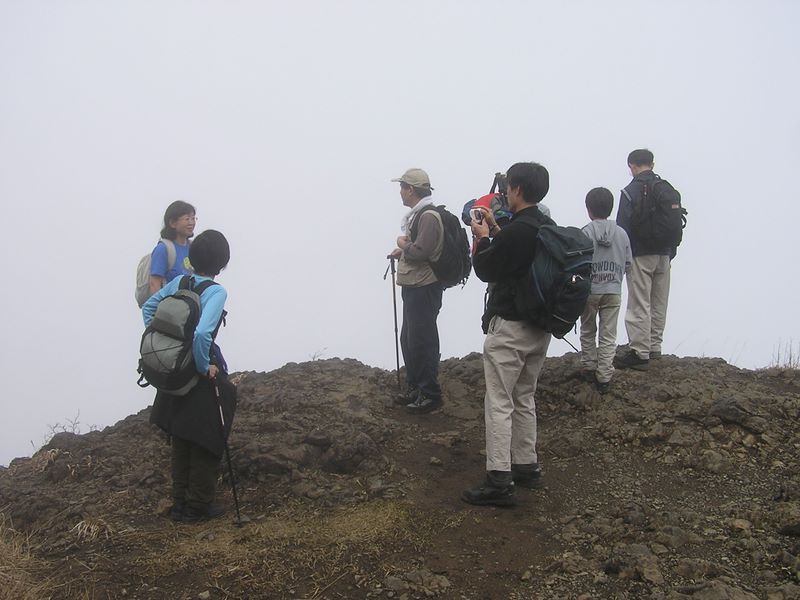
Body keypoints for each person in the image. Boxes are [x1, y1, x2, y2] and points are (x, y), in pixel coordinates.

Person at [462, 162, 553, 507]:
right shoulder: (545, 226)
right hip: (539, 326)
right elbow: (521, 261)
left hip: (510, 326)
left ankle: (499, 479)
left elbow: (487, 269)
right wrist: (498, 230)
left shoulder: (519, 231)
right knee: (524, 396)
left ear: (515, 189)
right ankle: (526, 466)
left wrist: (483, 238)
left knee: (499, 400)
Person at [144, 229, 235, 523]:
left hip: (174, 371)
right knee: (207, 435)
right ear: (222, 263)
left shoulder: (179, 281)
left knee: (181, 435)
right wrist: (202, 366)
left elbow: (149, 308)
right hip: (196, 372)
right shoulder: (216, 291)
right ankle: (199, 506)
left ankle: (180, 504)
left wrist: (167, 345)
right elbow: (202, 334)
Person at [388, 168, 445, 415]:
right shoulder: (419, 214)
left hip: (424, 286)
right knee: (410, 338)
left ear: (411, 189)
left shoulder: (428, 216)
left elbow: (421, 251)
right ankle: (417, 388)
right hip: (415, 284)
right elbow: (422, 248)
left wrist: (403, 243)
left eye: (402, 187)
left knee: (422, 340)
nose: (400, 192)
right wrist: (404, 250)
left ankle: (430, 394)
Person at [614, 149, 673, 370]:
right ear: (653, 164)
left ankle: (640, 351)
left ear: (631, 165)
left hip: (640, 254)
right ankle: (655, 346)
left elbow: (622, 227)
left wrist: (623, 257)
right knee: (659, 301)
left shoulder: (630, 191)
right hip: (664, 253)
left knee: (640, 303)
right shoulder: (665, 189)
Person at [579, 187, 632, 394]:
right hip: (613, 289)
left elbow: (580, 260)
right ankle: (604, 376)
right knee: (608, 334)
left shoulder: (586, 231)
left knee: (588, 329)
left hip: (591, 289)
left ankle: (589, 366)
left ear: (588, 209)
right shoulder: (622, 233)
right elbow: (628, 262)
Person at [148, 200, 196, 296]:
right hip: (170, 307)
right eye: (187, 219)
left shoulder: (193, 248)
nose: (191, 223)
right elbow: (154, 284)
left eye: (193, 218)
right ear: (172, 223)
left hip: (190, 306)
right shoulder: (163, 249)